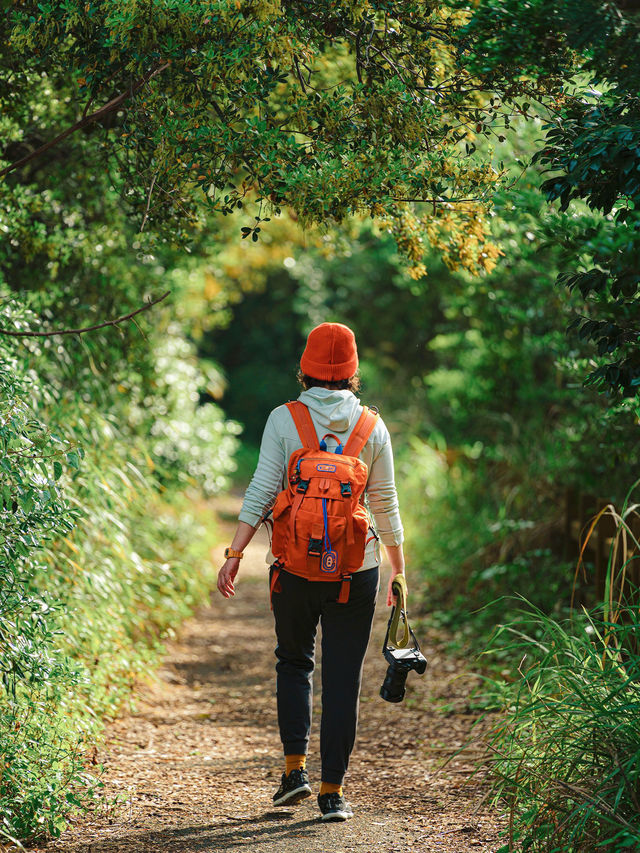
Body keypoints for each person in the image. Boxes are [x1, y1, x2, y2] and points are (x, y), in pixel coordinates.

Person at [217, 322, 406, 822]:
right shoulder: (373, 425)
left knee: (294, 663)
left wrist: (234, 553)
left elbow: (261, 489)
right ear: (353, 372)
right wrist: (398, 571)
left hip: (293, 569)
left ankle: (293, 772)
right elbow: (384, 502)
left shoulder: (284, 419)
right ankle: (332, 793)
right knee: (343, 679)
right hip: (356, 570)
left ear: (303, 369)